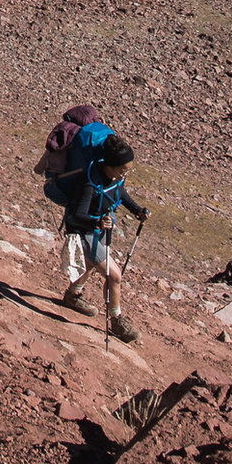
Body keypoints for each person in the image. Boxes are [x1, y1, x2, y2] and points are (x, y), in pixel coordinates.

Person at [44, 123, 146, 342]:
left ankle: (73, 296)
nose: (125, 174)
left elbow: (121, 193)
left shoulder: (114, 178)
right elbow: (77, 214)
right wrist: (98, 221)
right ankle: (117, 320)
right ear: (110, 165)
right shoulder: (89, 184)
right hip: (84, 233)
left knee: (90, 266)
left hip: (95, 231)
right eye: (123, 169)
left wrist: (137, 210)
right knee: (114, 276)